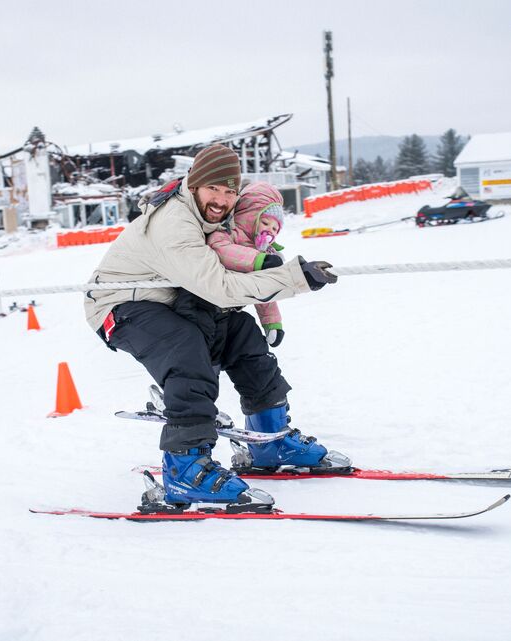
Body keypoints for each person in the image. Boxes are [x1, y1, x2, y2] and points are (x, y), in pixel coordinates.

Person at [85, 145, 346, 510]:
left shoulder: (215, 216)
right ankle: (185, 469)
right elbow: (218, 288)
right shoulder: (174, 222)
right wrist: (292, 278)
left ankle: (268, 439)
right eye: (213, 189)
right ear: (194, 185)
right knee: (184, 347)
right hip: (120, 305)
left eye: (229, 191)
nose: (222, 200)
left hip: (174, 299)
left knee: (241, 333)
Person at [207, 182, 287, 348]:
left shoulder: (263, 252)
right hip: (205, 305)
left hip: (230, 312)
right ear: (250, 215)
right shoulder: (229, 231)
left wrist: (272, 322)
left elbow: (262, 289)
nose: (270, 231)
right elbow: (220, 248)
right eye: (265, 223)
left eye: (275, 229)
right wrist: (257, 260)